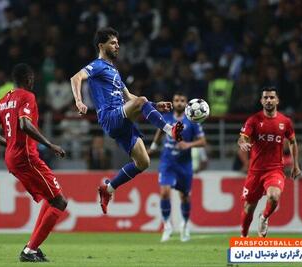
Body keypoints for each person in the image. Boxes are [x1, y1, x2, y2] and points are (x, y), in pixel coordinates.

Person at [70, 27, 184, 214]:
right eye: (113, 43)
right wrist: (78, 101)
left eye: (117, 43)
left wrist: (155, 105)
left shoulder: (114, 71)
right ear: (101, 45)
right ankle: (170, 129)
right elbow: (76, 78)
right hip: (110, 116)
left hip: (122, 120)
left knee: (143, 162)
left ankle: (108, 189)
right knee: (142, 101)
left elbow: (129, 97)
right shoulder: (97, 65)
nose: (117, 46)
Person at [0, 63, 67, 262]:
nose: (33, 82)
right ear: (28, 79)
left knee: (52, 199)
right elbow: (24, 124)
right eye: (32, 79)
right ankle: (29, 251)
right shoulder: (27, 96)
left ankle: (32, 248)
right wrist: (50, 144)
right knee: (60, 202)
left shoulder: (4, 100)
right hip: (26, 156)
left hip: (12, 157)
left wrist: (7, 143)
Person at [237, 86, 301, 238]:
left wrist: (295, 164)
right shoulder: (254, 120)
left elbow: (292, 141)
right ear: (261, 101)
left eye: (272, 97)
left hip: (275, 170)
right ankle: (244, 237)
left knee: (274, 196)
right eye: (265, 97)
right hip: (255, 171)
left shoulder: (285, 121)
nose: (268, 100)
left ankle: (264, 217)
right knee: (249, 207)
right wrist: (242, 143)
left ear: (277, 100)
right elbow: (243, 137)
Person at [149, 92, 206, 242]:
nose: (179, 102)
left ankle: (185, 225)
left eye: (182, 100)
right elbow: (160, 130)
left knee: (184, 197)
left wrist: (188, 144)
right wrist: (154, 146)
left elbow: (203, 142)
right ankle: (167, 225)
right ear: (173, 102)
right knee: (164, 193)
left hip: (184, 163)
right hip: (167, 161)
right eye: (176, 100)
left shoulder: (193, 120)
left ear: (187, 103)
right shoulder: (166, 117)